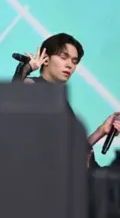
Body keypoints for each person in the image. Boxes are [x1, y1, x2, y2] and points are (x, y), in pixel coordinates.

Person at [12, 33, 119, 167]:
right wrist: (27, 67)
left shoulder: (60, 100)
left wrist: (101, 131)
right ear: (45, 59)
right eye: (64, 57)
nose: (70, 65)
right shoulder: (35, 86)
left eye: (74, 61)